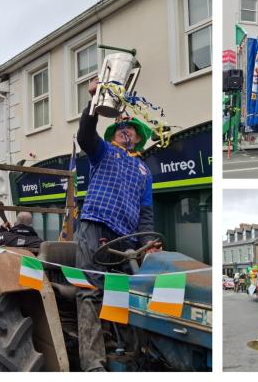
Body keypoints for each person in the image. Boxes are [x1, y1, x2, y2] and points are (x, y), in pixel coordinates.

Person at [75, 77, 160, 372]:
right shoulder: (104, 152)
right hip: (95, 226)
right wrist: (94, 101)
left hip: (125, 238)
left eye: (131, 129)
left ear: (138, 137)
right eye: (121, 129)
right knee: (89, 291)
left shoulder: (145, 171)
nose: (126, 132)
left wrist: (146, 245)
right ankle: (93, 366)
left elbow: (146, 213)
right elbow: (85, 137)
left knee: (127, 293)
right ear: (113, 136)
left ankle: (133, 355)